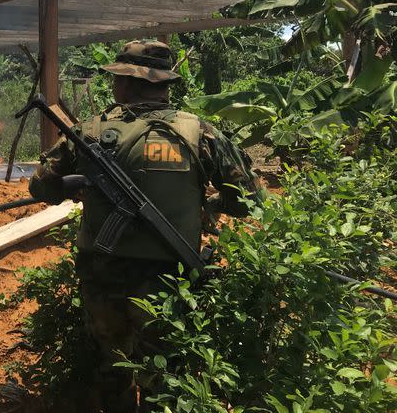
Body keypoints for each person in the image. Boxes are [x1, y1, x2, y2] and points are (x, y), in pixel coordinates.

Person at [28, 40, 263, 412]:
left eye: (118, 78)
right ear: (164, 84)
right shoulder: (199, 132)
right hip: (170, 277)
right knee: (164, 372)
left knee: (110, 367)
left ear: (127, 82)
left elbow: (40, 185)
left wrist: (74, 188)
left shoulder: (91, 131)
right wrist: (208, 206)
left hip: (102, 274)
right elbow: (249, 200)